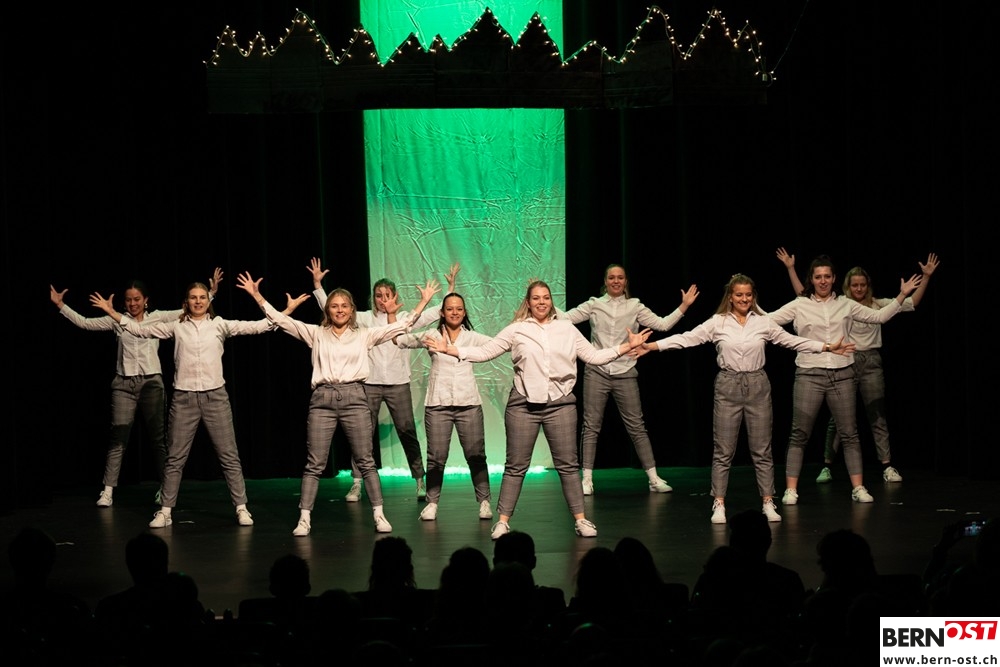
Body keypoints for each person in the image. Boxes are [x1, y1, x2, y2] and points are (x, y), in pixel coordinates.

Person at [426, 280, 650, 538]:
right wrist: (451, 350)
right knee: (516, 466)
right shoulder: (517, 330)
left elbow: (594, 356)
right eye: (536, 298)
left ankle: (581, 520)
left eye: (545, 297)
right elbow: (486, 352)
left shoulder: (566, 328)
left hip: (561, 404)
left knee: (568, 465)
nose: (541, 302)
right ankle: (503, 521)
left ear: (551, 301)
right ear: (528, 302)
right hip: (523, 405)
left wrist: (626, 346)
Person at [641, 274, 853, 524]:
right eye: (739, 294)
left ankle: (768, 501)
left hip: (757, 385)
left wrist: (826, 347)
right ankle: (719, 502)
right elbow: (686, 338)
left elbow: (792, 341)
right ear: (730, 297)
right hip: (728, 385)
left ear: (753, 297)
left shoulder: (763, 322)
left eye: (748, 295)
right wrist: (652, 346)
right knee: (723, 450)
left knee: (762, 449)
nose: (744, 299)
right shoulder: (718, 322)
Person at [243, 272, 439, 535]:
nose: (339, 310)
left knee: (366, 460)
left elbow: (401, 327)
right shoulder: (316, 333)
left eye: (344, 306)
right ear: (328, 310)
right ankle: (304, 518)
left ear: (352, 310)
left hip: (354, 397)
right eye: (334, 306)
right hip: (322, 400)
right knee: (315, 463)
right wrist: (257, 296)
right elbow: (280, 320)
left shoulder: (364, 335)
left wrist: (423, 302)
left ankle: (379, 515)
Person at [89, 277, 283, 528]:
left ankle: (241, 507)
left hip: (215, 397)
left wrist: (261, 299)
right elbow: (138, 329)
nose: (198, 301)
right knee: (175, 459)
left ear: (208, 301)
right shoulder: (176, 327)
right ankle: (165, 511)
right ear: (186, 302)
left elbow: (261, 326)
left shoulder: (220, 324)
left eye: (202, 297)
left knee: (229, 456)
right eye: (193, 298)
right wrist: (112, 313)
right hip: (184, 399)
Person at [49, 268, 221, 507]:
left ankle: (165, 490)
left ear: (145, 300)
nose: (133, 304)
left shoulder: (158, 317)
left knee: (159, 440)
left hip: (152, 384)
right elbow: (86, 323)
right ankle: (108, 490)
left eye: (137, 299)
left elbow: (188, 309)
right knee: (118, 438)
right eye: (129, 300)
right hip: (123, 385)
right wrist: (61, 305)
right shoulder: (117, 319)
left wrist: (210, 294)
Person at [767, 255, 921, 505]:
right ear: (812, 279)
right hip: (809, 373)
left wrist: (902, 295)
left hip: (842, 374)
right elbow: (769, 320)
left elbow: (879, 317)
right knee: (799, 433)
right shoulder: (799, 304)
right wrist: (747, 307)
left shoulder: (846, 304)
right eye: (818, 277)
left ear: (834, 279)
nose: (823, 281)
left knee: (849, 433)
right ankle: (791, 490)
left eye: (827, 276)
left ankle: (858, 487)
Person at [309, 258, 457, 502]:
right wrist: (318, 285)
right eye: (379, 295)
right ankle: (356, 483)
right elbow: (332, 308)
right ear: (373, 298)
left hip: (398, 384)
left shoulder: (406, 317)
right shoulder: (365, 319)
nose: (383, 299)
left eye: (387, 295)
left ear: (395, 296)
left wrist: (450, 288)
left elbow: (436, 312)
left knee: (407, 431)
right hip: (369, 385)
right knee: (362, 435)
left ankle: (419, 480)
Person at [562, 264, 699, 495]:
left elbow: (662, 324)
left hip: (625, 372)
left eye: (620, 278)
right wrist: (540, 301)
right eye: (611, 278)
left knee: (636, 426)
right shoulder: (594, 304)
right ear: (605, 281)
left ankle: (653, 478)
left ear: (626, 281)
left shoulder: (635, 306)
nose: (616, 281)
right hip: (597, 371)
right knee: (591, 426)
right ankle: (586, 479)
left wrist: (684, 306)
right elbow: (565, 318)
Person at [395, 292, 494, 522]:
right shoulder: (431, 335)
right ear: (442, 312)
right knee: (436, 457)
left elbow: (498, 346)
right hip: (438, 404)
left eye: (459, 309)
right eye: (450, 309)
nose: (454, 312)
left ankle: (484, 501)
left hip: (468, 404)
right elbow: (399, 339)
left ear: (465, 312)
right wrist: (394, 315)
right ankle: (432, 503)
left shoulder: (472, 337)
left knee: (476, 455)